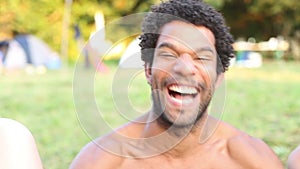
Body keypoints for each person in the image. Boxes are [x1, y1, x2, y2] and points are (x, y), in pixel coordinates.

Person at [69, 0, 284, 168]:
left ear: (219, 78)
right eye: (169, 54)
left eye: (201, 57)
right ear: (148, 70)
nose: (184, 68)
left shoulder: (253, 161)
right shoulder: (100, 161)